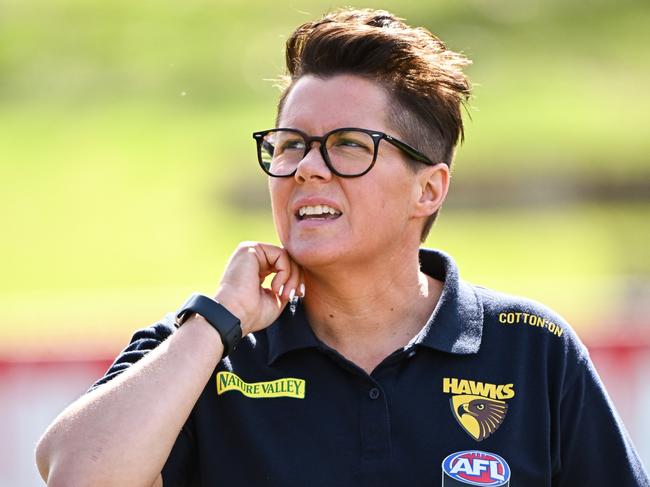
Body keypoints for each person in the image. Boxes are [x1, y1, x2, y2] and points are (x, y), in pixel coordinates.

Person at [35, 8, 649, 487]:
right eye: (290, 144)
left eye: (349, 145)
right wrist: (215, 324)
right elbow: (76, 474)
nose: (306, 168)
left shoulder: (533, 350)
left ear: (428, 190)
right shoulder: (202, 350)